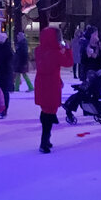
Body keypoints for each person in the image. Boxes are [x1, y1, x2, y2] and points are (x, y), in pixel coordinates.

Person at [33, 26, 74, 154]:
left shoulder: (39, 50)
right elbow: (68, 63)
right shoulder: (55, 53)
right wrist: (68, 50)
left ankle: (46, 139)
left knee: (45, 109)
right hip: (51, 84)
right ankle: (44, 141)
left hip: (41, 83)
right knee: (49, 111)